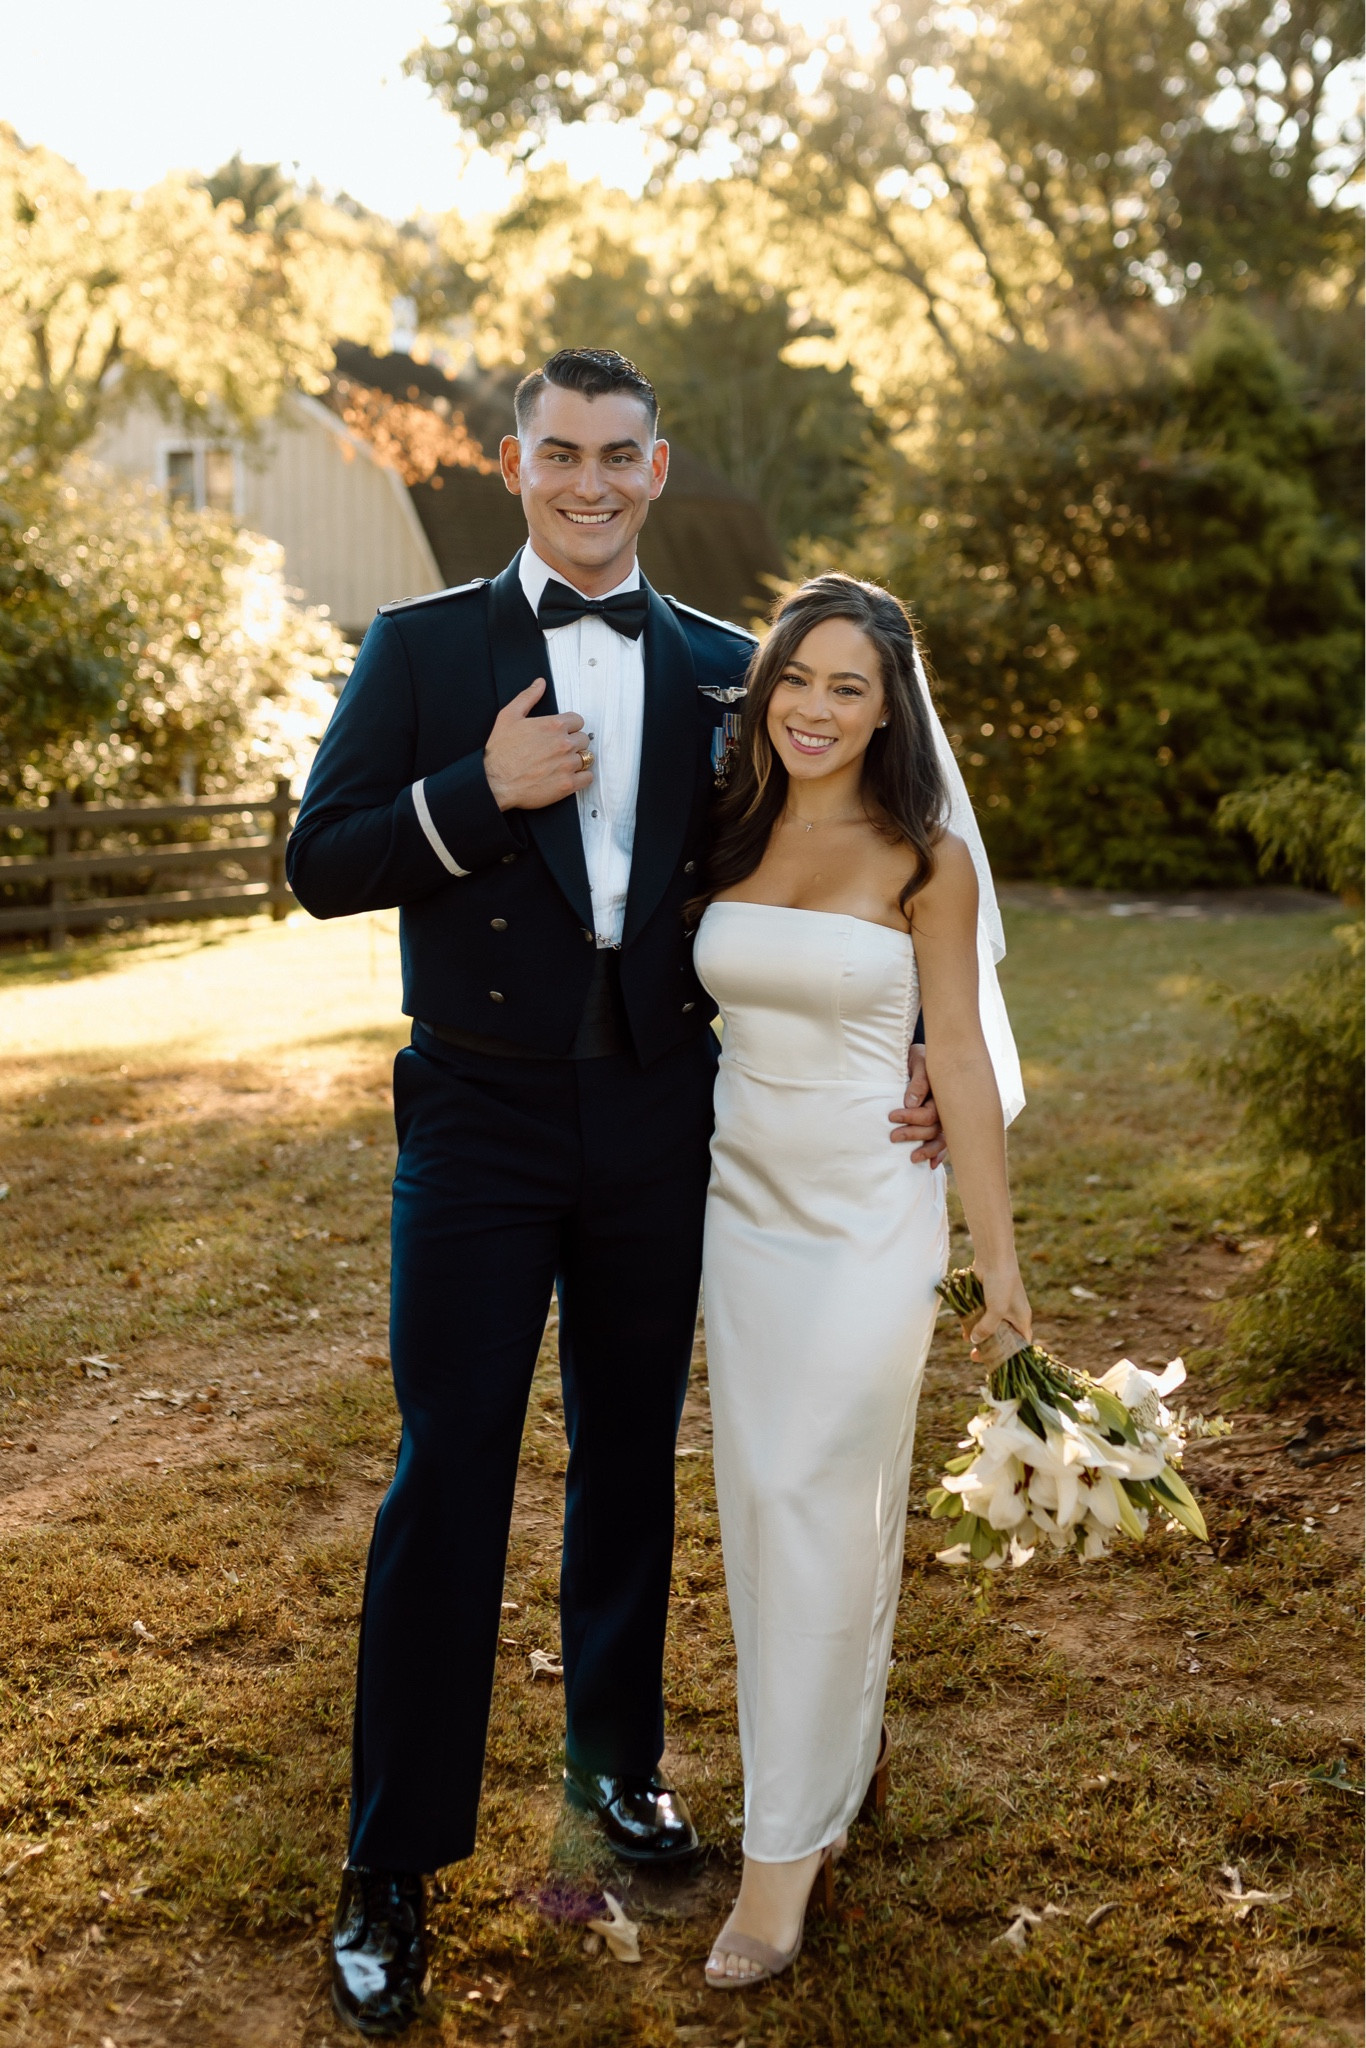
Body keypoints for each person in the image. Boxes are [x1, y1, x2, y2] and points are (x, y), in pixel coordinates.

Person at [285, 353, 945, 2037]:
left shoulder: (732, 669)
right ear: (515, 465)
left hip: (663, 1118)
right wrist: (472, 796)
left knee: (631, 1460)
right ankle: (390, 1863)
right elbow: (318, 861)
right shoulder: (421, 648)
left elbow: (854, 860)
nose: (588, 480)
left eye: (617, 455)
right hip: (478, 1117)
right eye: (559, 452)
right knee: (450, 1469)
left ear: (657, 469)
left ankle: (617, 1770)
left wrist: (925, 1038)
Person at [690, 573, 1028, 1989]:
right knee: (769, 1504)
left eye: (849, 687)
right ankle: (843, 1748)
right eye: (796, 678)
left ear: (891, 712)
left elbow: (960, 1056)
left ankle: (782, 1860)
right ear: (764, 687)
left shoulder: (923, 860)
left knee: (804, 1492)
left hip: (867, 1217)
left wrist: (999, 1268)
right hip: (739, 1214)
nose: (815, 708)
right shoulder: (728, 827)